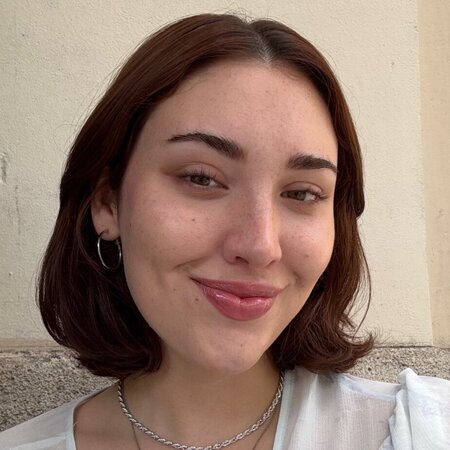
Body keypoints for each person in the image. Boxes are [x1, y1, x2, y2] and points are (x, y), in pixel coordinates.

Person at [0, 13, 449, 450]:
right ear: (107, 202)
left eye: (302, 193)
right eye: (201, 178)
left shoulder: (420, 431)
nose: (260, 245)